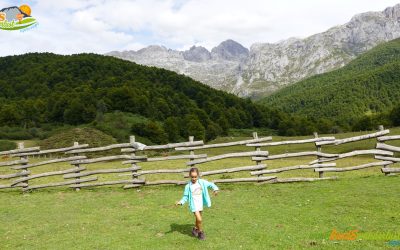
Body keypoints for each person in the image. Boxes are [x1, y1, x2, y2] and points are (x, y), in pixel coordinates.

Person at [175, 167, 219, 240]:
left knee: (197, 220)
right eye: (192, 177)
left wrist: (215, 189)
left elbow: (211, 184)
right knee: (199, 219)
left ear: (198, 176)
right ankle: (200, 232)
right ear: (190, 176)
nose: (194, 178)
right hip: (194, 205)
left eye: (195, 177)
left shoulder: (202, 182)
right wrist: (180, 202)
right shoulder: (188, 186)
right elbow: (185, 197)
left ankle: (195, 229)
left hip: (200, 204)